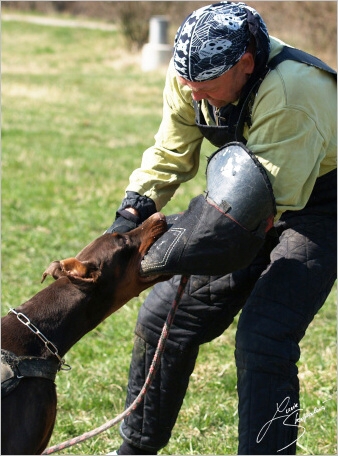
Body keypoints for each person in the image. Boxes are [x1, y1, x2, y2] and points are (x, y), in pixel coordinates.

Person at [107, 2, 337, 454]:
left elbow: (255, 212)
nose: (195, 97)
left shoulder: (294, 90)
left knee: (263, 338)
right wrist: (130, 218)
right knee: (162, 320)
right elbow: (170, 153)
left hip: (317, 209)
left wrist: (157, 254)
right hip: (242, 204)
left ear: (246, 64)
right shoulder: (192, 77)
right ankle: (134, 449)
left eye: (207, 88)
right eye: (188, 86)